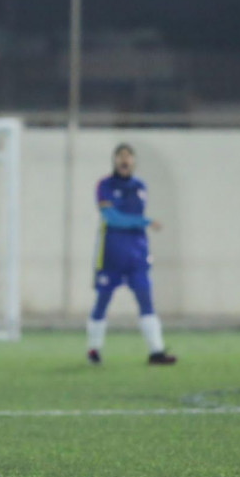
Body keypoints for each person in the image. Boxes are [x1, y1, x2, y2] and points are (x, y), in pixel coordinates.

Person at [87, 143, 176, 366]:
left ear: (134, 161)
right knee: (103, 300)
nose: (124, 160)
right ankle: (94, 349)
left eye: (128, 156)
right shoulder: (105, 185)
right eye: (120, 156)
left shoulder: (140, 186)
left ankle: (156, 351)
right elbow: (112, 218)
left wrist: (141, 224)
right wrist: (145, 221)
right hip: (111, 254)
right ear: (114, 160)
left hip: (137, 255)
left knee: (146, 301)